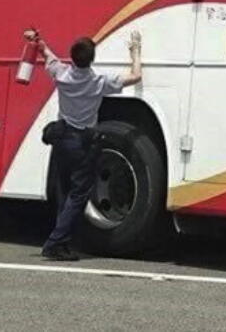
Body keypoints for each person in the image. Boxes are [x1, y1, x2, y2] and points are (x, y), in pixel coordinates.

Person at [27, 29, 143, 261]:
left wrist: (37, 40)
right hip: (83, 142)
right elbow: (135, 76)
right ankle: (55, 243)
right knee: (79, 194)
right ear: (92, 59)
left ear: (72, 57)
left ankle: (62, 243)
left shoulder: (61, 74)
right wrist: (136, 51)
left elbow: (46, 54)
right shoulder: (98, 82)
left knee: (64, 192)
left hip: (62, 139)